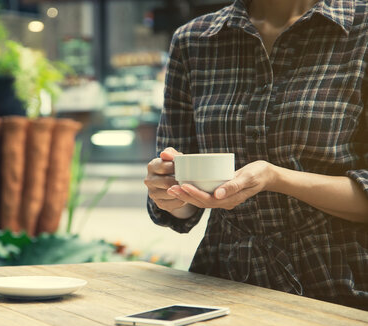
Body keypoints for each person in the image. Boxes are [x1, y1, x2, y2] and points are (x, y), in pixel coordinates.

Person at [145, 0, 368, 309]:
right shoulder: (195, 38)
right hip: (224, 284)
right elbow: (179, 195)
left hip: (342, 288)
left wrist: (277, 178)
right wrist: (171, 193)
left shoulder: (361, 28)